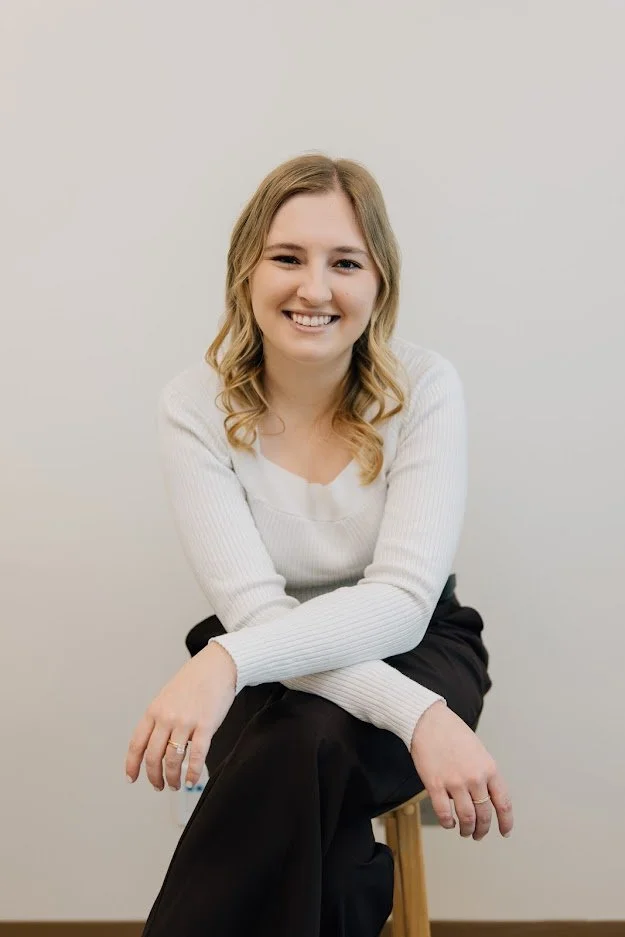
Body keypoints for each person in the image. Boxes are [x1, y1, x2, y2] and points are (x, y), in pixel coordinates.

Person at [125, 152, 514, 937]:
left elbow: (401, 605)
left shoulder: (425, 388)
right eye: (287, 258)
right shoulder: (194, 407)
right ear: (246, 271)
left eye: (344, 262)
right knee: (319, 812)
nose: (314, 288)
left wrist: (224, 663)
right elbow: (255, 610)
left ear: (379, 284)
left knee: (295, 747)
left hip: (416, 645)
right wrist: (422, 721)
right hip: (263, 647)